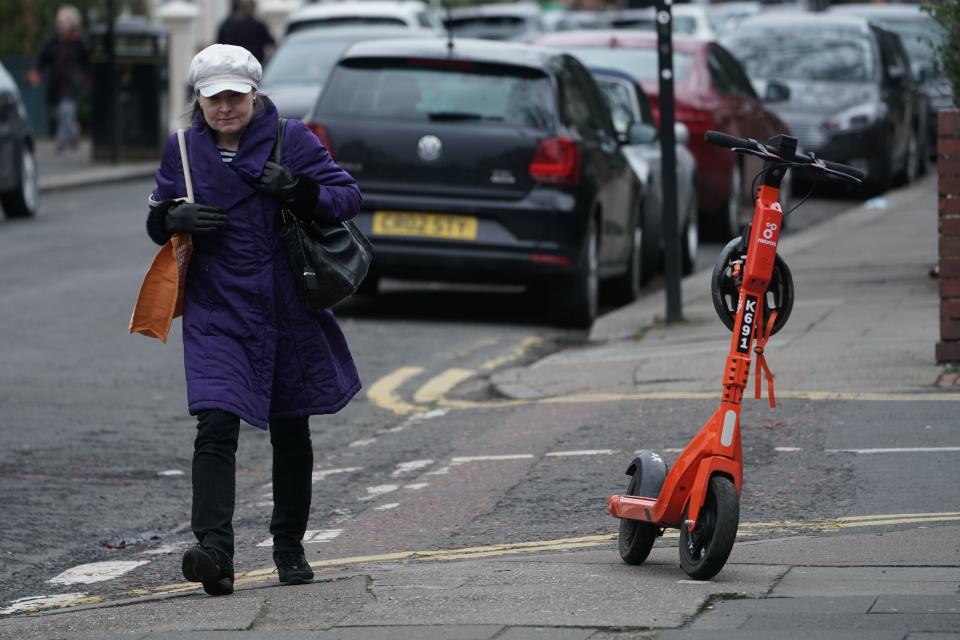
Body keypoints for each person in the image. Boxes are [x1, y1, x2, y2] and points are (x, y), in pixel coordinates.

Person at [144, 44, 362, 596]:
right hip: (218, 312)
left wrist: (299, 189)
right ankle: (215, 552)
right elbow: (156, 218)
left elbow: (347, 197)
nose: (224, 108)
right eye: (213, 98)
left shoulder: (293, 138)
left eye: (234, 97)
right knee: (215, 425)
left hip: (287, 308)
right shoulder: (183, 152)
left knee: (292, 427)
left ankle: (288, 544)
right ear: (199, 99)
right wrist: (171, 216)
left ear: (254, 94)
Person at [27, 5, 90, 152]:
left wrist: (87, 78)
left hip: (74, 83)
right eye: (60, 21)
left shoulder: (80, 41)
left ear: (73, 23)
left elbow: (88, 62)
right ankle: (73, 134)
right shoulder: (52, 40)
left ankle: (61, 141)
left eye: (65, 21)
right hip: (57, 83)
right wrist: (36, 72)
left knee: (65, 110)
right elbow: (42, 58)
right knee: (62, 112)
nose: (61, 24)